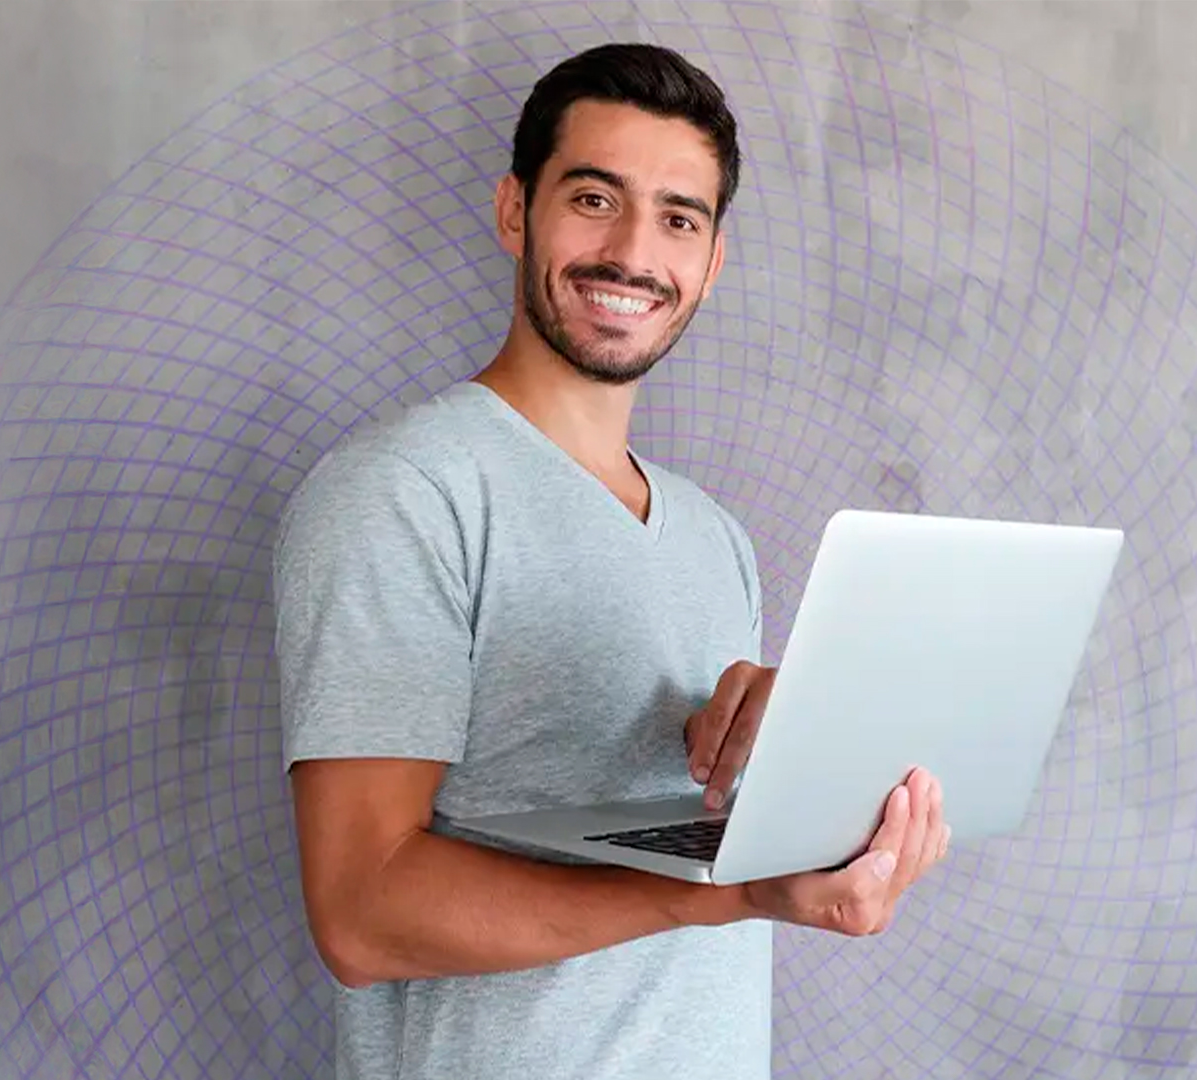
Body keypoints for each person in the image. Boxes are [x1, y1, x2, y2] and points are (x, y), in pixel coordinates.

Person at [271, 42, 950, 1080]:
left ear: (711, 262)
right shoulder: (407, 491)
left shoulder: (717, 539)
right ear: (515, 211)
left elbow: (694, 834)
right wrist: (727, 894)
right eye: (595, 198)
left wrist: (810, 773)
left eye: (678, 217)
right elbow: (363, 916)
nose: (634, 253)